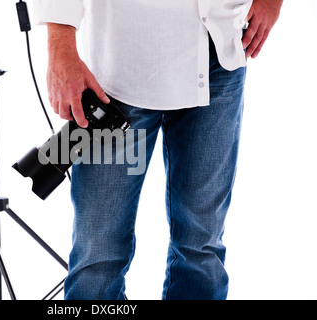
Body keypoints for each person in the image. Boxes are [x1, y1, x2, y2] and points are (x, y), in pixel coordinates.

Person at [33, 0, 283, 300]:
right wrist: (60, 44)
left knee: (200, 245)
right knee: (99, 253)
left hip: (219, 56)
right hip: (121, 73)